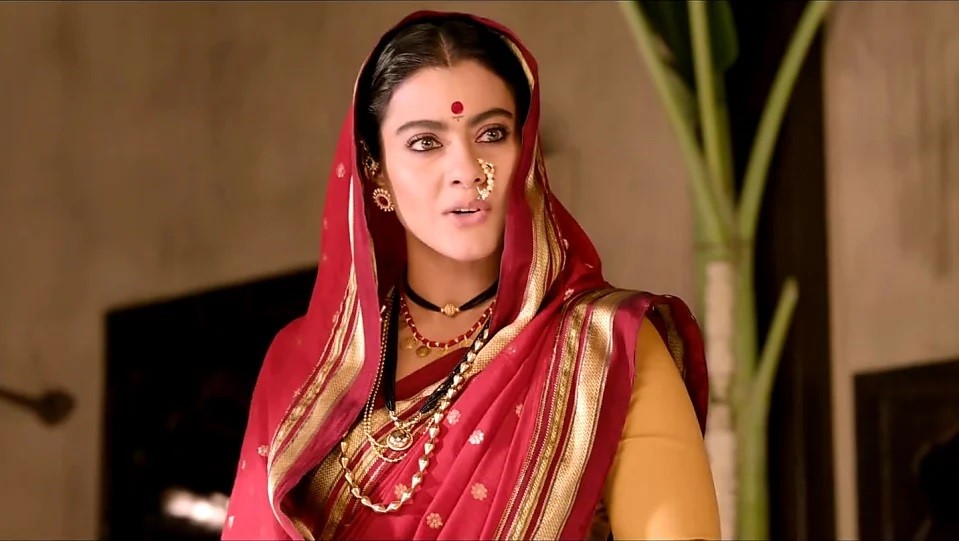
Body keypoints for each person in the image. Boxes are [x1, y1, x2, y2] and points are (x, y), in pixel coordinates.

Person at [222, 10, 720, 541]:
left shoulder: (604, 349)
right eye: (425, 142)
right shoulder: (305, 367)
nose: (465, 169)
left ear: (526, 152)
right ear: (376, 170)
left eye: (492, 133)